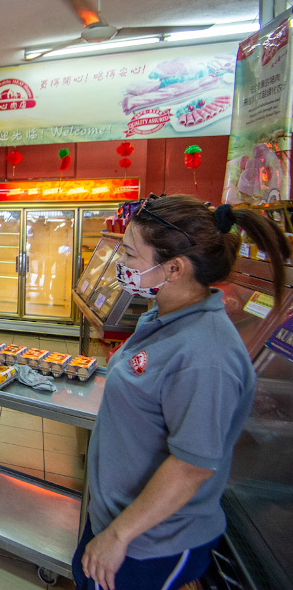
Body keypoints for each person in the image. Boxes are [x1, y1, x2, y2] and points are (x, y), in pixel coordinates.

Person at [73, 194, 291, 590]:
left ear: (173, 268)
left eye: (130, 255)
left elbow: (191, 465)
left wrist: (118, 536)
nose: (119, 264)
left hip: (148, 542)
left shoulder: (206, 355)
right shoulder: (165, 315)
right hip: (115, 518)